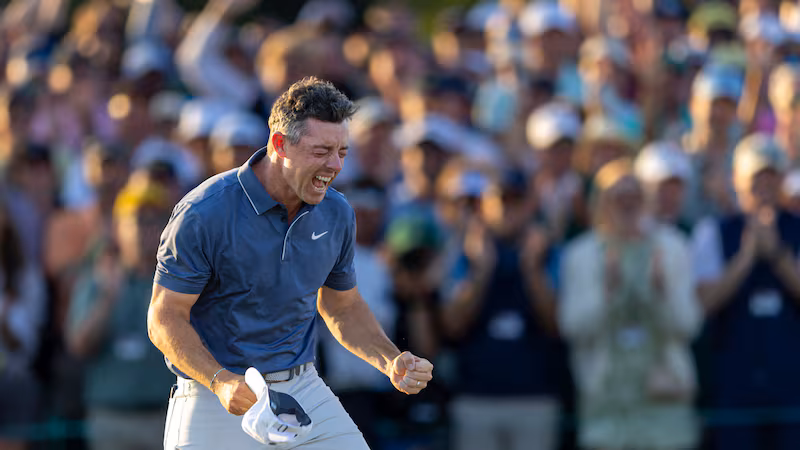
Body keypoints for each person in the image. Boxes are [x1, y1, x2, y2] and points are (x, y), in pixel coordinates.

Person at [148, 77, 434, 449]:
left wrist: (391, 361)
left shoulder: (337, 212)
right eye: (321, 151)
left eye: (342, 152)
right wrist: (220, 380)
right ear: (279, 144)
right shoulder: (203, 212)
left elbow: (341, 307)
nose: (334, 166)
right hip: (211, 393)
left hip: (302, 387)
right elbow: (164, 317)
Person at [560, 158, 701, 450]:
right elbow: (572, 326)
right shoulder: (580, 255)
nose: (627, 206)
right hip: (606, 410)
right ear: (599, 203)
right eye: (617, 198)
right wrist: (606, 295)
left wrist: (662, 295)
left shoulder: (671, 247)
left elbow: (689, 324)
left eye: (634, 198)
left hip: (665, 404)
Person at [691, 133, 800, 450]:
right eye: (756, 178)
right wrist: (746, 258)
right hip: (734, 382)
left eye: (772, 177)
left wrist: (777, 255)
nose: (764, 186)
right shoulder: (712, 232)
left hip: (791, 383)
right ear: (736, 180)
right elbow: (704, 304)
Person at [66, 173, 175, 450]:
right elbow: (79, 346)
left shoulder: (180, 284)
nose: (144, 228)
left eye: (153, 219)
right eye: (136, 219)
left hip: (166, 417)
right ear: (117, 227)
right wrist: (107, 298)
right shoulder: (97, 279)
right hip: (111, 420)